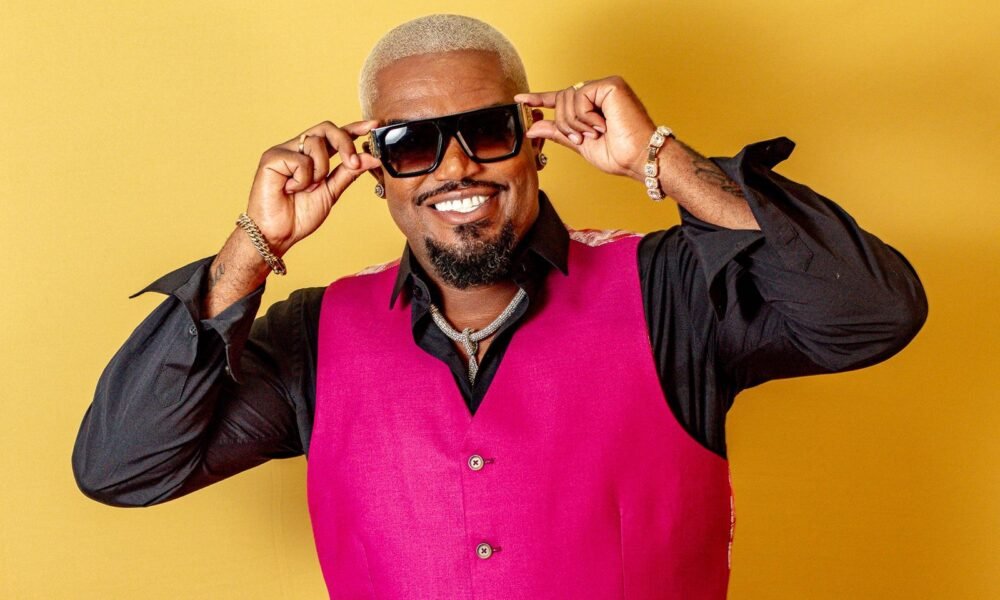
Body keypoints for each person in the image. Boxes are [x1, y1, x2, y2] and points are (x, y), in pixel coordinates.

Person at [72, 13, 927, 599]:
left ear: (535, 141)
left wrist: (662, 160)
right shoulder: (315, 337)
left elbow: (872, 314)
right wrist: (253, 247)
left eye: (486, 130)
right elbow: (123, 466)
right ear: (374, 172)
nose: (455, 168)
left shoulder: (670, 291)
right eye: (410, 143)